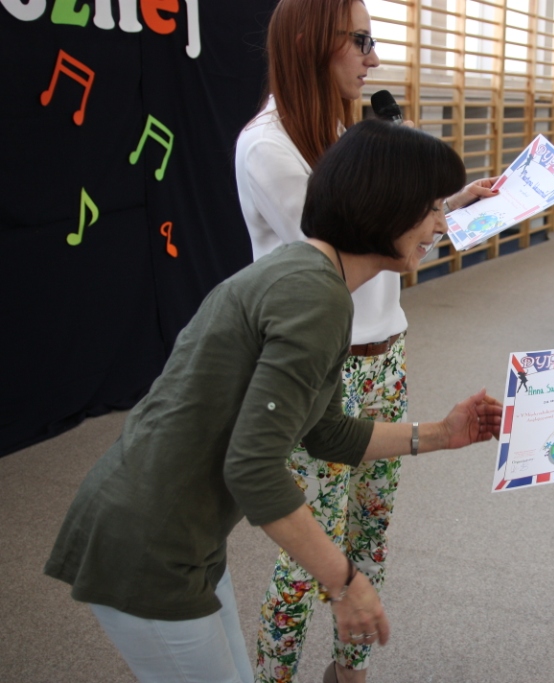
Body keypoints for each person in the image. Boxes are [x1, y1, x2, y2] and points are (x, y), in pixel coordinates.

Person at [44, 120, 503, 683]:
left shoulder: (317, 279)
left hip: (184, 537)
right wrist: (344, 582)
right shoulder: (315, 297)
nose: (441, 222)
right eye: (431, 207)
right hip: (149, 545)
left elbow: (326, 432)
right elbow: (253, 467)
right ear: (386, 205)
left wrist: (441, 433)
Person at [233, 2, 496, 681]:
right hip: (321, 365)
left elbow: (381, 227)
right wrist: (428, 213)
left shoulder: (344, 129)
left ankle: (349, 670)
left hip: (386, 356)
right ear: (309, 42)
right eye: (361, 40)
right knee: (309, 551)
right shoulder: (268, 145)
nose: (373, 58)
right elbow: (343, 248)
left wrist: (452, 206)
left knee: (371, 529)